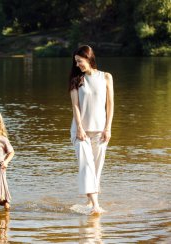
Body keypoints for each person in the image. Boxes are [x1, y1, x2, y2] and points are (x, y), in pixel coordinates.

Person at [69, 45, 114, 214]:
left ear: (88, 58)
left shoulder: (106, 77)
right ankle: (95, 205)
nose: (77, 65)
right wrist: (79, 127)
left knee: (96, 167)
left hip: (101, 131)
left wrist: (108, 128)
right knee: (87, 165)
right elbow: (75, 106)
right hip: (80, 132)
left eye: (79, 61)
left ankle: (89, 203)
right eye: (76, 62)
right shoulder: (76, 80)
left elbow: (110, 105)